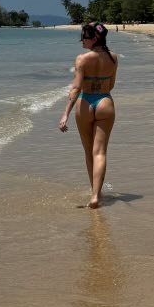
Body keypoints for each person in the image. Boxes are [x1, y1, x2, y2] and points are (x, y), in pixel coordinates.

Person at [58, 21, 118, 208]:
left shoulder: (82, 59)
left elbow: (76, 88)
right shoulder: (113, 57)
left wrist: (65, 114)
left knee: (89, 151)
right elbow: (111, 85)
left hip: (85, 104)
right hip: (105, 102)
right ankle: (96, 195)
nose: (81, 40)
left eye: (84, 37)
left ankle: (94, 192)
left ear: (94, 38)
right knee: (100, 152)